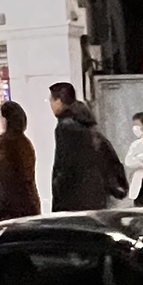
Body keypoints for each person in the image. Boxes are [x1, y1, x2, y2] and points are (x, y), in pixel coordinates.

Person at [47, 82, 127, 210]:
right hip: (96, 194)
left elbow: (65, 165)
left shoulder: (66, 126)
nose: (51, 104)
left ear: (60, 101)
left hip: (75, 198)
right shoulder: (86, 123)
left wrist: (58, 192)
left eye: (51, 99)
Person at [0, 100, 40, 220]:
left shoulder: (7, 143)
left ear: (6, 119)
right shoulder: (25, 142)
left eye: (0, 117)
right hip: (29, 205)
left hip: (11, 209)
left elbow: (3, 177)